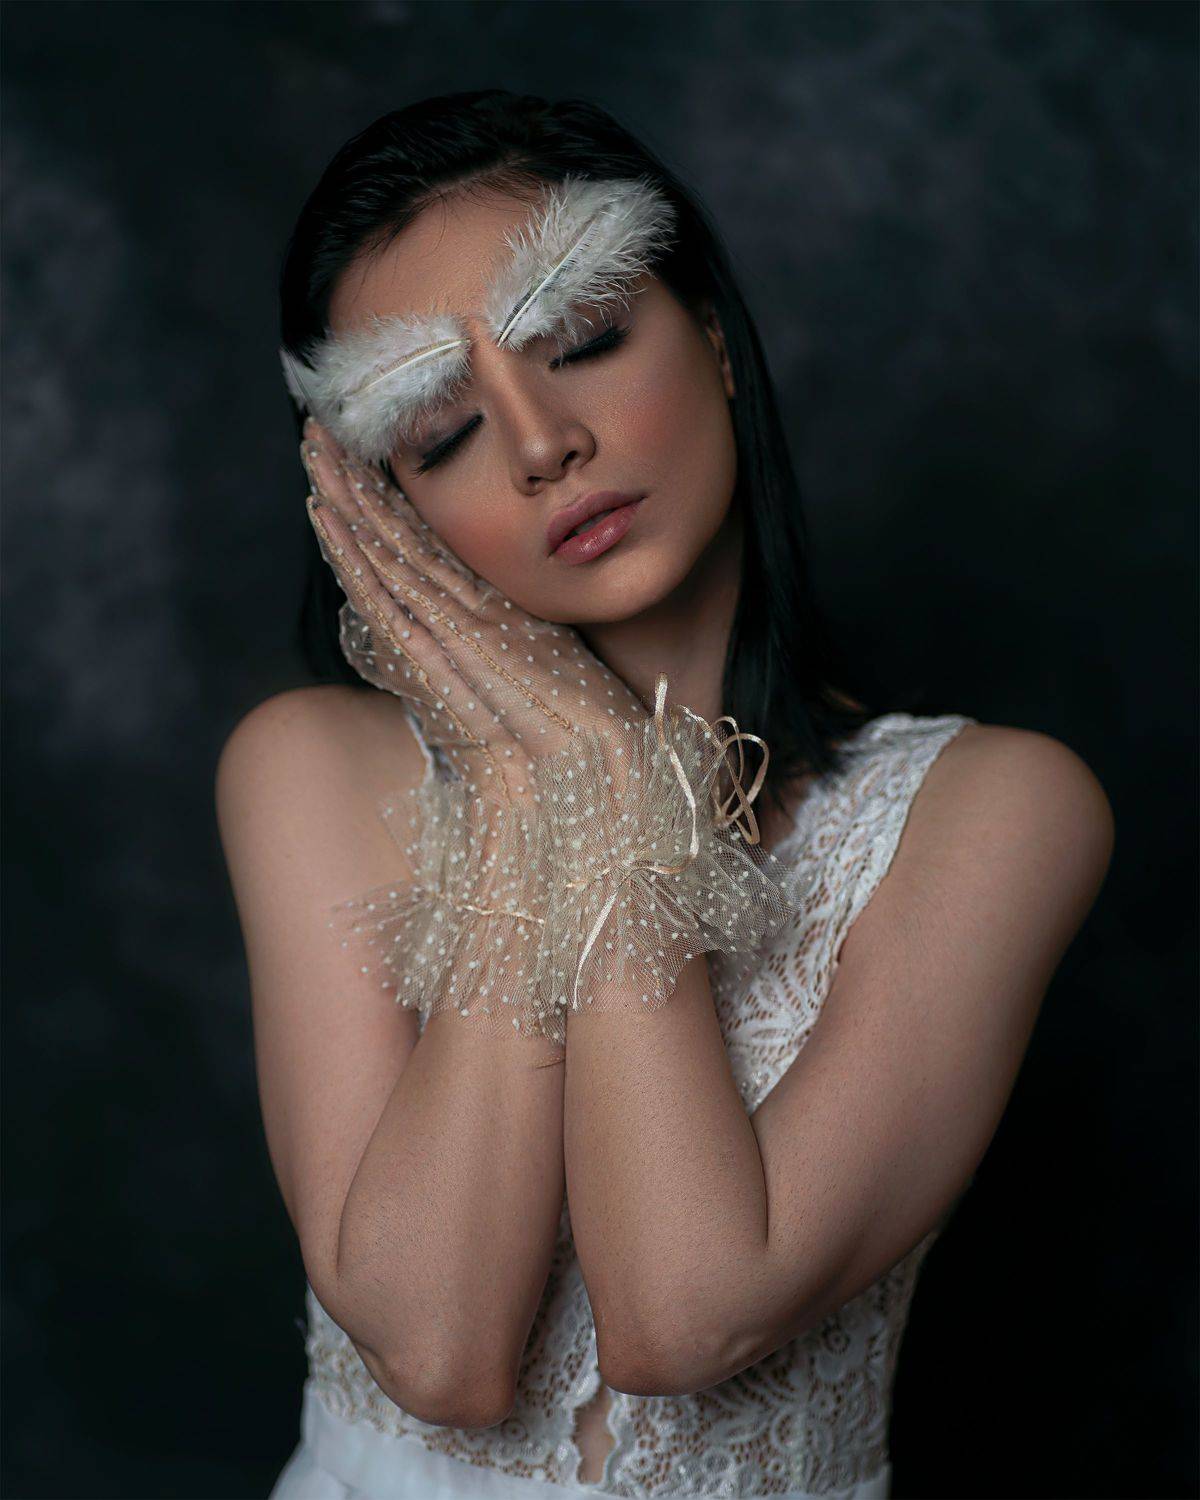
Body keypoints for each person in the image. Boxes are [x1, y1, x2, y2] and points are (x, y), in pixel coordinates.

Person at [215, 91, 1115, 1499]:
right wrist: (533, 781)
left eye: (582, 340)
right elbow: (440, 1352)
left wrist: (606, 779)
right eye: (443, 432)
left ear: (713, 336)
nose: (541, 444)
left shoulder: (995, 813)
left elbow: (688, 1312)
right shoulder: (311, 769)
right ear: (388, 511)